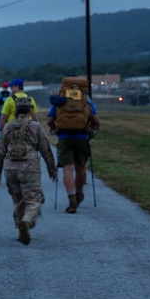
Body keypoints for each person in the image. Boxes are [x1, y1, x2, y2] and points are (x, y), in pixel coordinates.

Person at [0, 97, 57, 244]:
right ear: (29, 110)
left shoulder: (8, 127)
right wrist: (52, 170)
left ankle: (21, 228)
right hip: (30, 169)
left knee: (18, 200)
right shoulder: (36, 127)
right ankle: (26, 222)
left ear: (15, 111)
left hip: (10, 169)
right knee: (35, 199)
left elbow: (0, 151)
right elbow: (46, 150)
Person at [47, 76, 101, 214]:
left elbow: (49, 119)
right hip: (82, 137)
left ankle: (71, 201)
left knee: (67, 169)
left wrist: (55, 130)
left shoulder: (61, 98)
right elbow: (96, 120)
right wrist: (92, 130)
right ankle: (79, 194)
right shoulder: (86, 99)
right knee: (81, 169)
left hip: (64, 137)